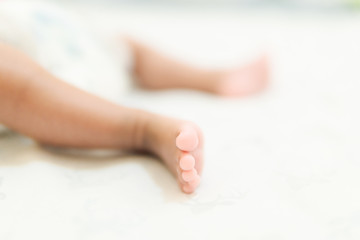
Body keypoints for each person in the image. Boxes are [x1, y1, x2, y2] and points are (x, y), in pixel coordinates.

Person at [0, 1, 269, 194]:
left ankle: (212, 78)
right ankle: (141, 130)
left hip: (54, 31)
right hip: (45, 77)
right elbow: (22, 94)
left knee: (128, 48)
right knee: (22, 90)